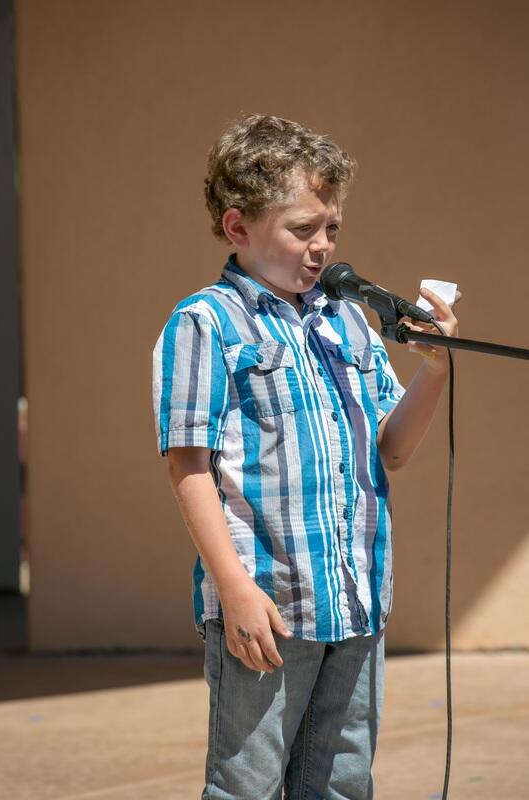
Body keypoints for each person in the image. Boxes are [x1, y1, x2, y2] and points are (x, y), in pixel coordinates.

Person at [152, 114, 459, 800]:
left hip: (356, 601)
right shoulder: (205, 323)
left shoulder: (348, 321)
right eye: (302, 229)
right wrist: (233, 589)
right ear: (238, 227)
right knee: (248, 785)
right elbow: (187, 466)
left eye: (332, 228)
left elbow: (392, 449)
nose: (321, 246)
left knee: (342, 783)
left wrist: (434, 370)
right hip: (270, 604)